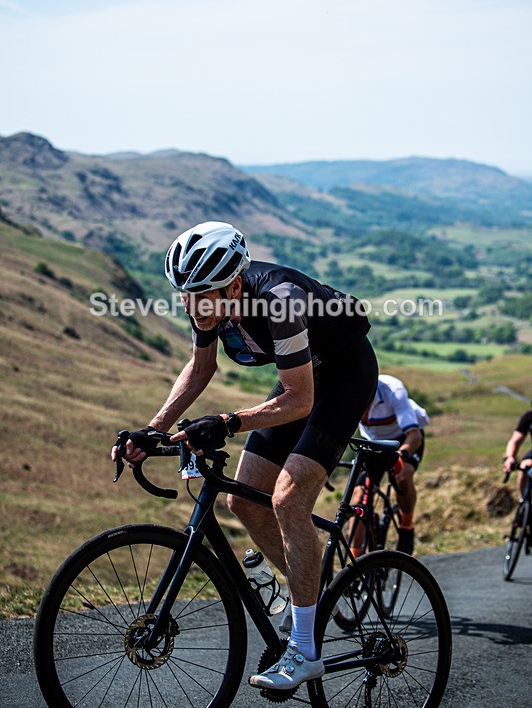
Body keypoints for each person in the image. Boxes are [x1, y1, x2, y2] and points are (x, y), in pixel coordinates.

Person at [112, 220, 378, 692]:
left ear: (234, 285)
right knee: (243, 500)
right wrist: (153, 430)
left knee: (288, 500)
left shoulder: (280, 301)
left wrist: (229, 421)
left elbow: (300, 400)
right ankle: (310, 590)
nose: (191, 307)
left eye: (201, 296)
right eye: (184, 295)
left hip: (343, 377)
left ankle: (304, 649)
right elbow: (201, 367)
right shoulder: (207, 302)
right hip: (303, 381)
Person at [349, 373, 429, 556]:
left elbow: (414, 436)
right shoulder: (348, 392)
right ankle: (354, 561)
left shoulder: (393, 391)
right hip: (373, 442)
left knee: (403, 476)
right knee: (359, 497)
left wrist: (400, 456)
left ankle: (406, 526)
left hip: (403, 438)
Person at [502, 408, 532, 497]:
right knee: (524, 466)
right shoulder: (529, 417)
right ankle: (523, 502)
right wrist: (510, 457)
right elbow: (514, 441)